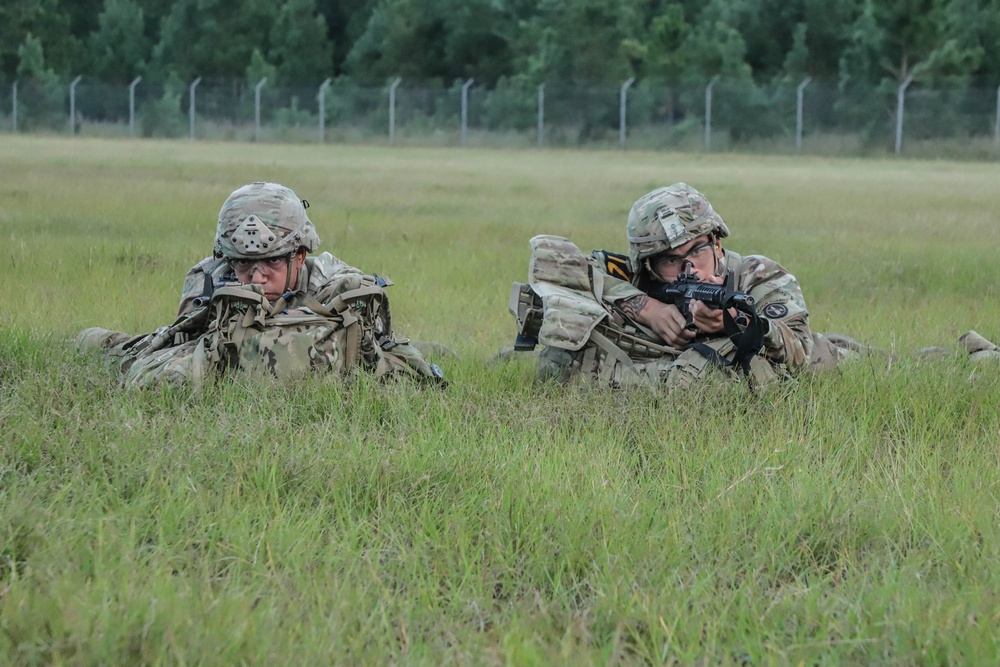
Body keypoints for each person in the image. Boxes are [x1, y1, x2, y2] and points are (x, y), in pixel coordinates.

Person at [78, 181, 443, 388]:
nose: (256, 276)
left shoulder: (331, 280)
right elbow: (183, 345)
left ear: (299, 256)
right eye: (243, 264)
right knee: (121, 347)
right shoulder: (210, 278)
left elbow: (375, 347)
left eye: (271, 262)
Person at [509, 182, 858, 389]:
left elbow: (798, 349)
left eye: (697, 251)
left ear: (716, 243)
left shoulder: (757, 275)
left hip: (819, 355)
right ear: (647, 265)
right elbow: (558, 265)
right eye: (670, 261)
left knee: (843, 354)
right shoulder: (638, 278)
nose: (688, 268)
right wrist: (646, 308)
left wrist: (739, 324)